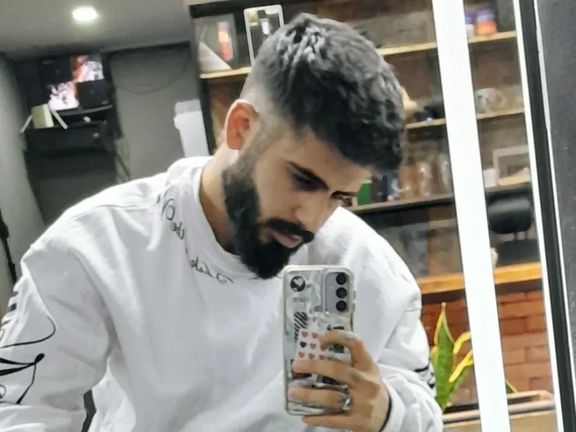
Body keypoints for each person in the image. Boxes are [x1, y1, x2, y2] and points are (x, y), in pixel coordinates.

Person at [0, 13, 442, 432]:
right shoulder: (95, 247)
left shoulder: (370, 267)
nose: (312, 219)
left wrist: (387, 413)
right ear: (241, 127)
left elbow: (424, 411)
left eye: (340, 197)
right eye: (302, 180)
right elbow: (21, 408)